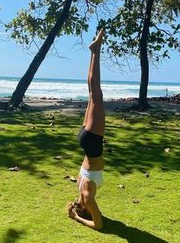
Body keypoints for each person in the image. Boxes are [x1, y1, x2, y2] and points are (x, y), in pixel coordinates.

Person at [68, 29, 105, 230]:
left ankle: (95, 51)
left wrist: (77, 217)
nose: (93, 208)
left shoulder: (88, 197)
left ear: (86, 208)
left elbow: (99, 225)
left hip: (92, 142)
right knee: (93, 94)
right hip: (85, 142)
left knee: (96, 93)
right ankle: (94, 51)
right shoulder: (79, 185)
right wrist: (77, 209)